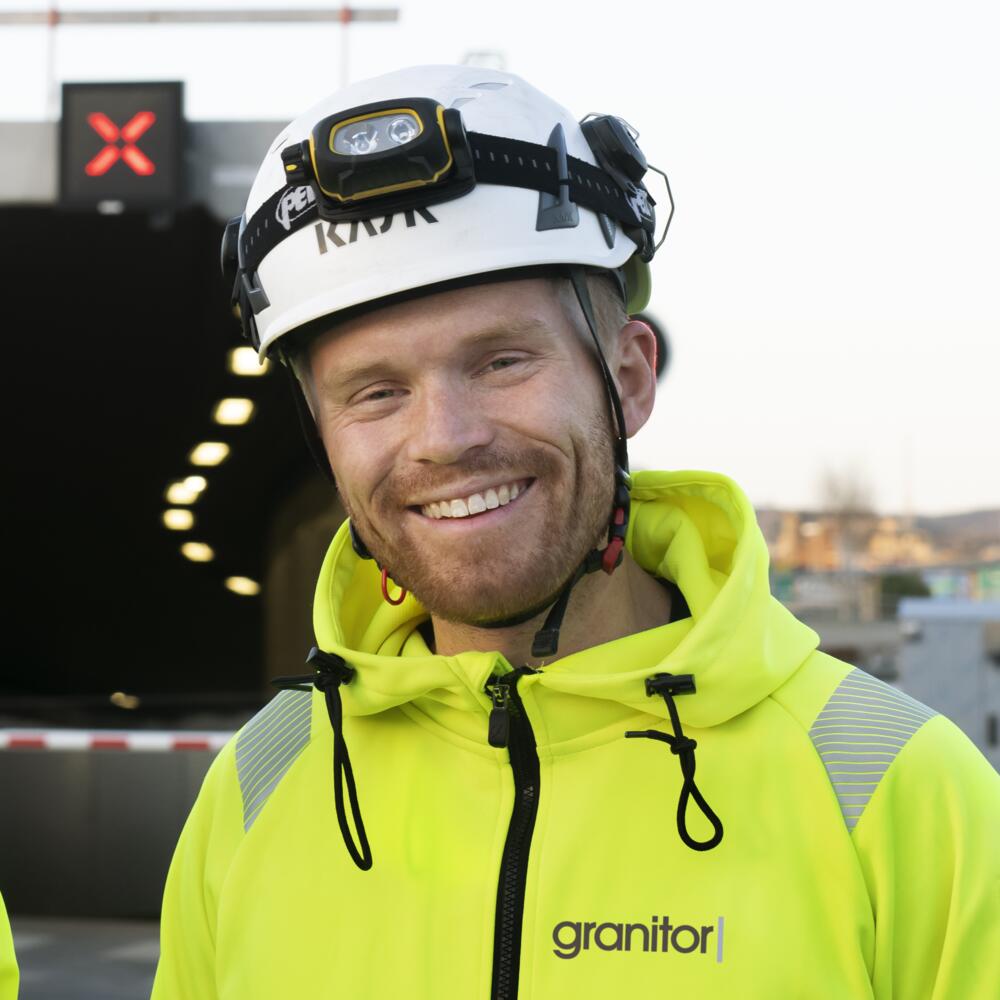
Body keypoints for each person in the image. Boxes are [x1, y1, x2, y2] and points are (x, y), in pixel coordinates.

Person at [152, 65, 1000, 999]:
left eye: (502, 361)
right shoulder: (259, 788)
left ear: (628, 380)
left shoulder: (899, 794)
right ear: (324, 438)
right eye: (377, 392)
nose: (444, 438)